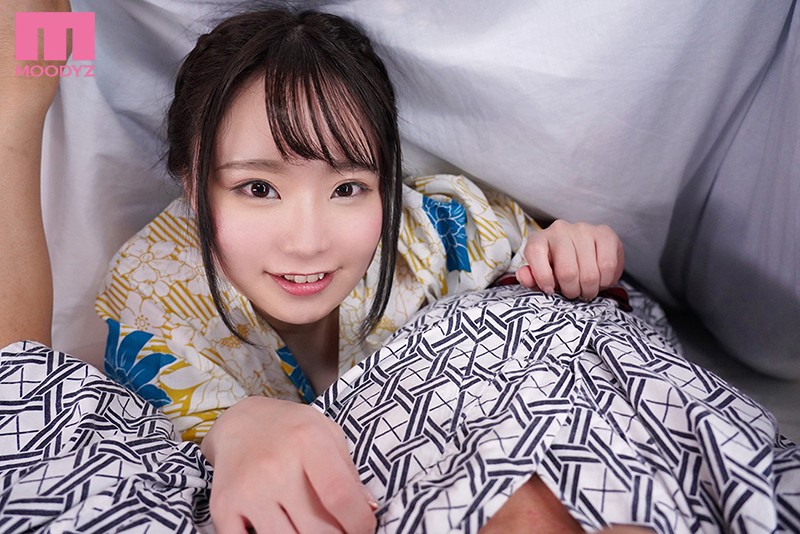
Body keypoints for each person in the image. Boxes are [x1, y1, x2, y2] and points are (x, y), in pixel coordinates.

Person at [92, 6, 632, 533]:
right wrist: (230, 428)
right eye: (258, 188)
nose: (307, 243)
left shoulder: (442, 232)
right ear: (191, 183)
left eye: (348, 188)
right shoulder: (152, 295)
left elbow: (560, 302)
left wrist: (575, 253)